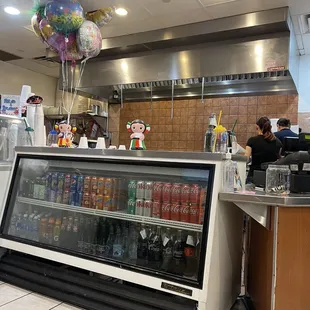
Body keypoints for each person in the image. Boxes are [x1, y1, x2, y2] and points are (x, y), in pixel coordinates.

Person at [245, 116, 282, 183]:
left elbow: (246, 159)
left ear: (257, 126)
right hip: (271, 177)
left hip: (254, 176)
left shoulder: (252, 140)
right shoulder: (278, 142)